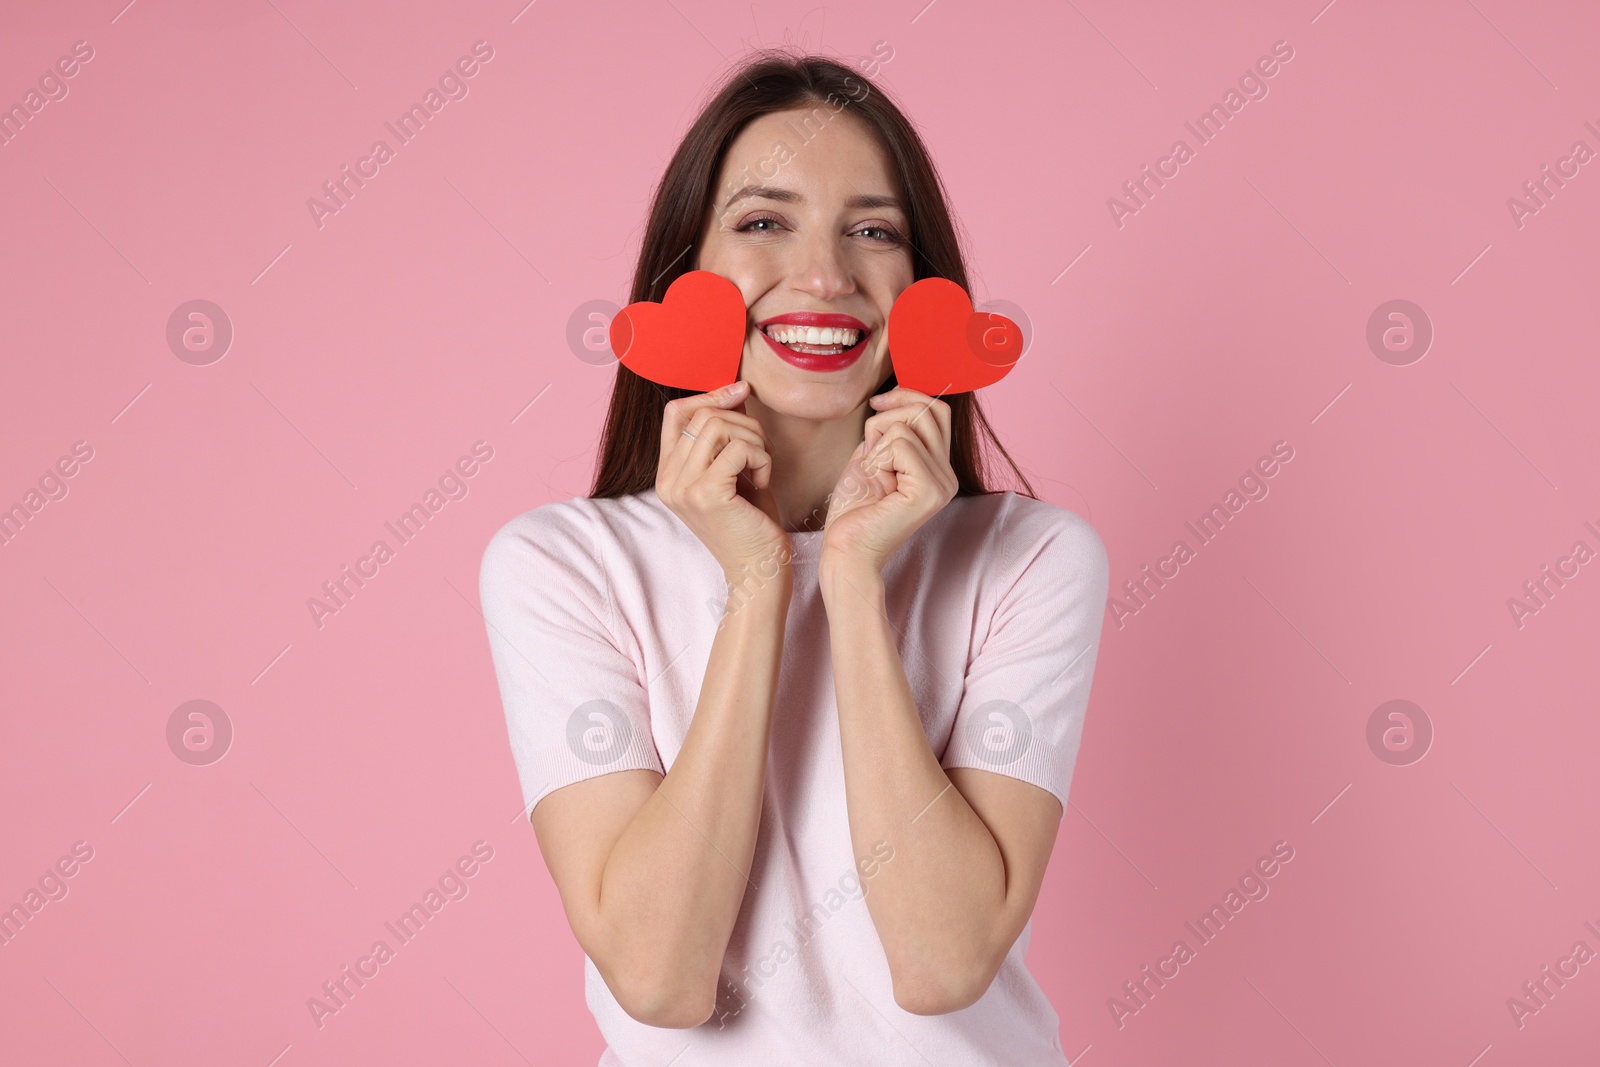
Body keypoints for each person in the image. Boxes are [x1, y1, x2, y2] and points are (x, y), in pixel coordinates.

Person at [479, 49, 1110, 1067]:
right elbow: (660, 975)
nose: (823, 275)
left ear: (922, 286)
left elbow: (943, 963)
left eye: (872, 229)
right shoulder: (562, 564)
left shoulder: (1030, 559)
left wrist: (854, 582)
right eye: (764, 221)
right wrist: (757, 578)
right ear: (685, 275)